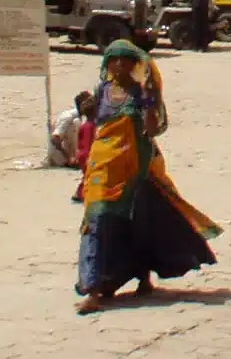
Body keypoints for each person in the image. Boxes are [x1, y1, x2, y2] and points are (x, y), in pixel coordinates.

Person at [75, 40, 220, 315]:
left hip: (135, 169)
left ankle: (141, 277)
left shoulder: (140, 94)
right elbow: (95, 127)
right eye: (113, 59)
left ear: (133, 65)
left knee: (136, 222)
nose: (118, 65)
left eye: (124, 60)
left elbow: (151, 129)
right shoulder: (101, 91)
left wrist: (151, 102)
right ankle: (92, 288)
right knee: (96, 220)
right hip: (103, 168)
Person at [48, 90, 94, 168]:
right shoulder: (69, 117)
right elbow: (55, 139)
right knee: (77, 123)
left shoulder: (80, 116)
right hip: (60, 158)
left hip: (68, 154)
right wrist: (69, 158)